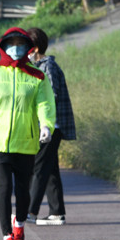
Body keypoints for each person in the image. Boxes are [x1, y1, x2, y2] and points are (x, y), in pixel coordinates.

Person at [0, 27, 56, 240]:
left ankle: (20, 223)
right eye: (11, 44)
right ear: (3, 47)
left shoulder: (36, 76)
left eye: (21, 44)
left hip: (25, 142)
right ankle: (6, 234)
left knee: (23, 190)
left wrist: (46, 125)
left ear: (27, 48)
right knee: (4, 188)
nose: (16, 48)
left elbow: (44, 104)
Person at [27, 28, 76, 226]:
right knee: (50, 168)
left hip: (50, 126)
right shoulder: (41, 66)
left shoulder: (48, 66)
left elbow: (51, 96)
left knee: (38, 167)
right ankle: (57, 212)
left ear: (36, 48)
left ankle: (30, 212)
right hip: (49, 125)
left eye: (27, 47)